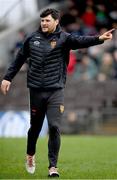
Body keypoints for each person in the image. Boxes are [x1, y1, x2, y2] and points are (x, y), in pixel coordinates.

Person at [0, 8, 115, 177]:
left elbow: (81, 40)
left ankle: (52, 166)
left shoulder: (64, 38)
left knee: (54, 126)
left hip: (56, 90)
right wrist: (7, 78)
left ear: (56, 22)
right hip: (36, 90)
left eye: (47, 21)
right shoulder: (32, 39)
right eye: (42, 21)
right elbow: (19, 59)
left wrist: (99, 39)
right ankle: (30, 155)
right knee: (35, 128)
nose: (44, 23)